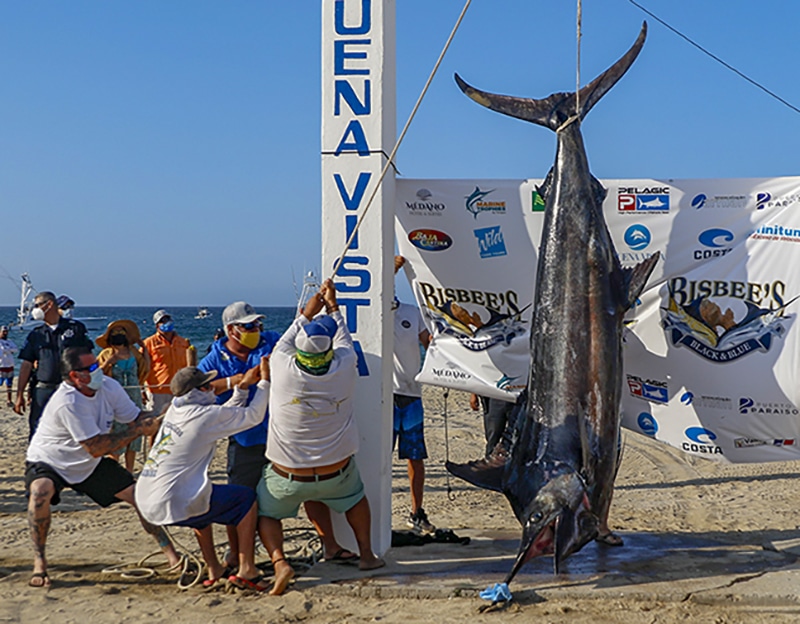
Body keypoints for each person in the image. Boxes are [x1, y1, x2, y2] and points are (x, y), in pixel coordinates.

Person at [198, 302, 353, 568]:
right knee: (241, 498)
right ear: (230, 330)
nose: (256, 329)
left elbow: (299, 338)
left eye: (258, 324)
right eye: (249, 326)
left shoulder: (270, 341)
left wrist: (316, 312)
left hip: (283, 437)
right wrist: (241, 380)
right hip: (245, 440)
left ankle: (331, 546)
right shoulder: (214, 358)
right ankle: (237, 556)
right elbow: (200, 390)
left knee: (310, 489)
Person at [257, 279, 384, 596]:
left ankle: (279, 562)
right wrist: (334, 306)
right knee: (355, 498)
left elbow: (286, 339)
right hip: (335, 473)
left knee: (267, 512)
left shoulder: (282, 364)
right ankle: (366, 554)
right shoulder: (343, 366)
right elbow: (344, 338)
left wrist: (306, 313)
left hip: (287, 475)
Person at [24, 346, 180, 588]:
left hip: (88, 463)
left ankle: (172, 556)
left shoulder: (109, 387)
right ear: (76, 376)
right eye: (92, 368)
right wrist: (139, 430)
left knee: (139, 497)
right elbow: (96, 447)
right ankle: (40, 562)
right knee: (39, 493)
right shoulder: (68, 401)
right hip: (50, 460)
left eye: (97, 364)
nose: (99, 369)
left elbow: (134, 416)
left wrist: (162, 415)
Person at [135, 361, 272, 591]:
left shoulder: (174, 411)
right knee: (246, 498)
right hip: (171, 499)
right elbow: (253, 416)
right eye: (207, 386)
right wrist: (265, 382)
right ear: (198, 392)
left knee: (199, 499)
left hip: (146, 498)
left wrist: (243, 388)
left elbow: (225, 415)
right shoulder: (204, 416)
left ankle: (214, 568)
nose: (212, 389)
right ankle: (247, 568)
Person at [14, 291, 94, 439]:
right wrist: (20, 394)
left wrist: (92, 384)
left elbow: (88, 358)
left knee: (74, 429)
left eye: (37, 305)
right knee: (38, 429)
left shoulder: (75, 329)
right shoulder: (36, 334)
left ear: (49, 304)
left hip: (71, 388)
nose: (35, 309)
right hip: (43, 389)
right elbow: (26, 364)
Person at [392, 256, 434, 534]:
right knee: (379, 458)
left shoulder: (411, 311)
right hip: (384, 396)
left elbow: (429, 343)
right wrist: (391, 268)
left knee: (415, 458)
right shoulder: (373, 315)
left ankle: (416, 512)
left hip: (411, 395)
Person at [96, 320, 151, 473]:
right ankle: (115, 472)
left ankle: (129, 471)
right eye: (115, 333)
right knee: (117, 435)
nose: (118, 335)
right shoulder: (106, 353)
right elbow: (96, 374)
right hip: (114, 399)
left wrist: (144, 349)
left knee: (133, 435)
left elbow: (145, 369)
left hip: (134, 397)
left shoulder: (133, 352)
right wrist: (108, 363)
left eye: (121, 332)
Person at [143, 310, 192, 417]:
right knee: (155, 421)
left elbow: (190, 364)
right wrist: (142, 389)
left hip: (180, 389)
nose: (166, 322)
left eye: (168, 319)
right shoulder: (148, 343)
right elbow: (141, 367)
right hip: (158, 390)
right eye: (162, 321)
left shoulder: (183, 342)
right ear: (157, 325)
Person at [0, 325, 18, 407]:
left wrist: (8, 350)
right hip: (1, 365)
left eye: (6, 332)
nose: (5, 333)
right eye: (3, 332)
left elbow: (15, 349)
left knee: (9, 384)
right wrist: (8, 350)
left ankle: (9, 400)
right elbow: (2, 350)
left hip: (10, 365)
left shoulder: (10, 341)